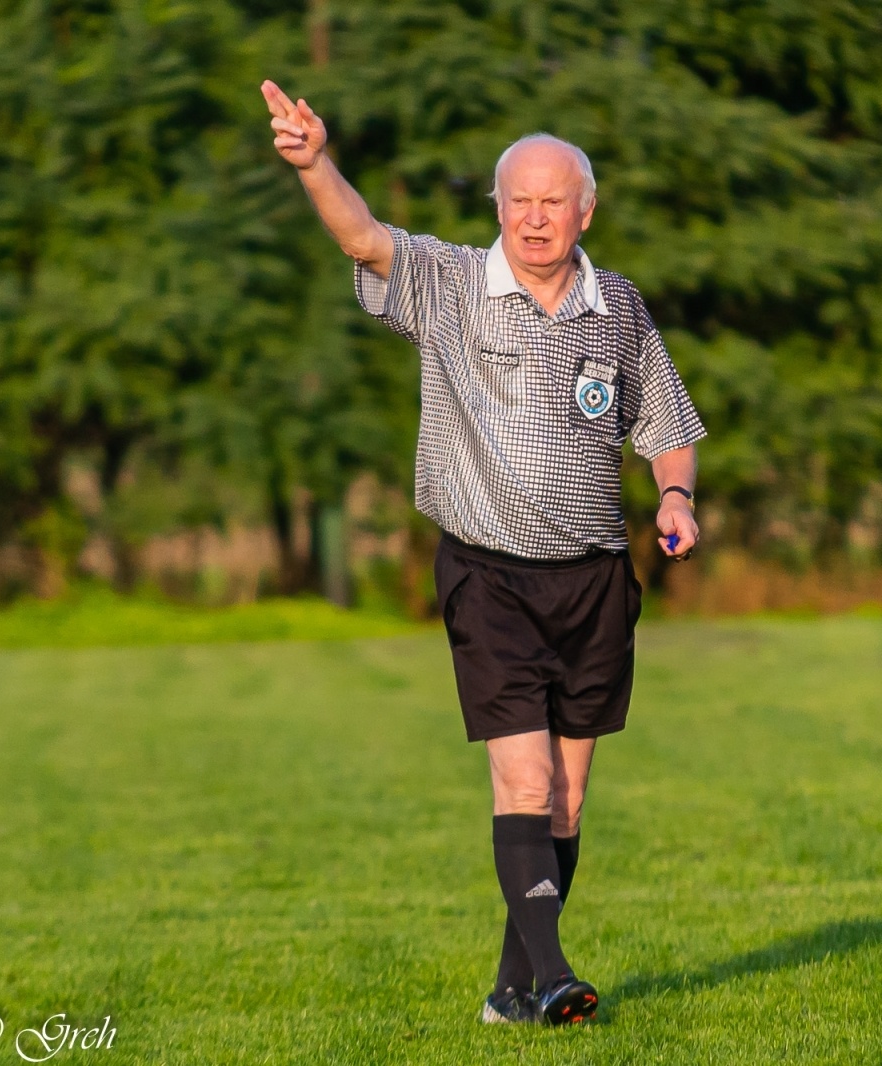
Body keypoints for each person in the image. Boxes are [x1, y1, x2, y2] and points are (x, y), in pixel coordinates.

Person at [261, 80, 706, 1024]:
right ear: (496, 208)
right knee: (526, 778)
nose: (535, 218)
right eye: (518, 200)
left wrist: (675, 493)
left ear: (585, 211)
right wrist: (315, 166)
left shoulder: (617, 307)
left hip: (593, 582)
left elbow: (666, 421)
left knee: (569, 802)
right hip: (488, 576)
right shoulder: (454, 285)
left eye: (553, 201)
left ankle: (512, 991)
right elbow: (363, 237)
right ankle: (553, 981)